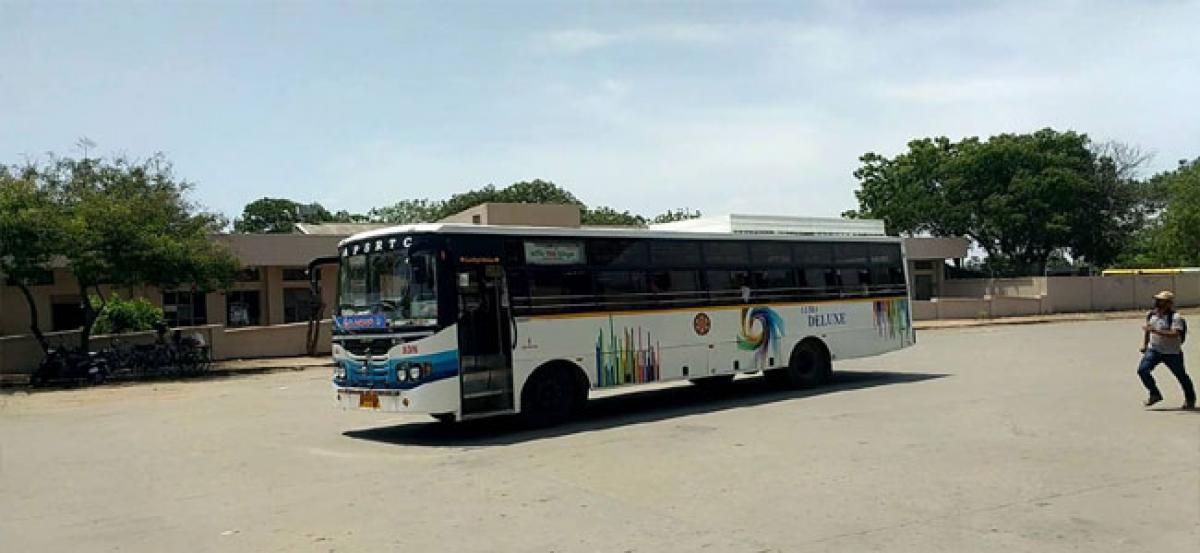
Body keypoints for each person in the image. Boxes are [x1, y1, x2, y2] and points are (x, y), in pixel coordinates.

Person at [1137, 290, 1195, 409]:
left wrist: (1156, 331)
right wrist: (1145, 344)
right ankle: (1154, 394)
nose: (1157, 302)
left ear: (1169, 303)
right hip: (1154, 350)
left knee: (1181, 376)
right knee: (1142, 370)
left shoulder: (1175, 317)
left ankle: (1190, 399)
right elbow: (1148, 330)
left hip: (1172, 352)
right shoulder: (1152, 315)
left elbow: (1175, 333)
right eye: (1157, 300)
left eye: (1161, 301)